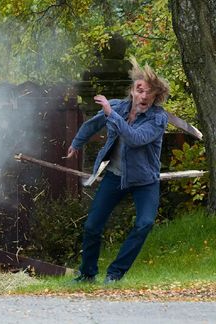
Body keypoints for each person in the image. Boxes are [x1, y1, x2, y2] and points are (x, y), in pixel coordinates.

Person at [66, 57, 170, 284]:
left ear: (155, 95)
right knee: (92, 225)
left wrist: (110, 115)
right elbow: (93, 123)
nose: (143, 96)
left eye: (148, 92)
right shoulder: (119, 107)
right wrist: (76, 142)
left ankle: (114, 273)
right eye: (139, 90)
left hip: (144, 181)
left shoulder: (158, 119)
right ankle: (87, 274)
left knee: (145, 224)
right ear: (132, 91)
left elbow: (135, 138)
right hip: (115, 176)